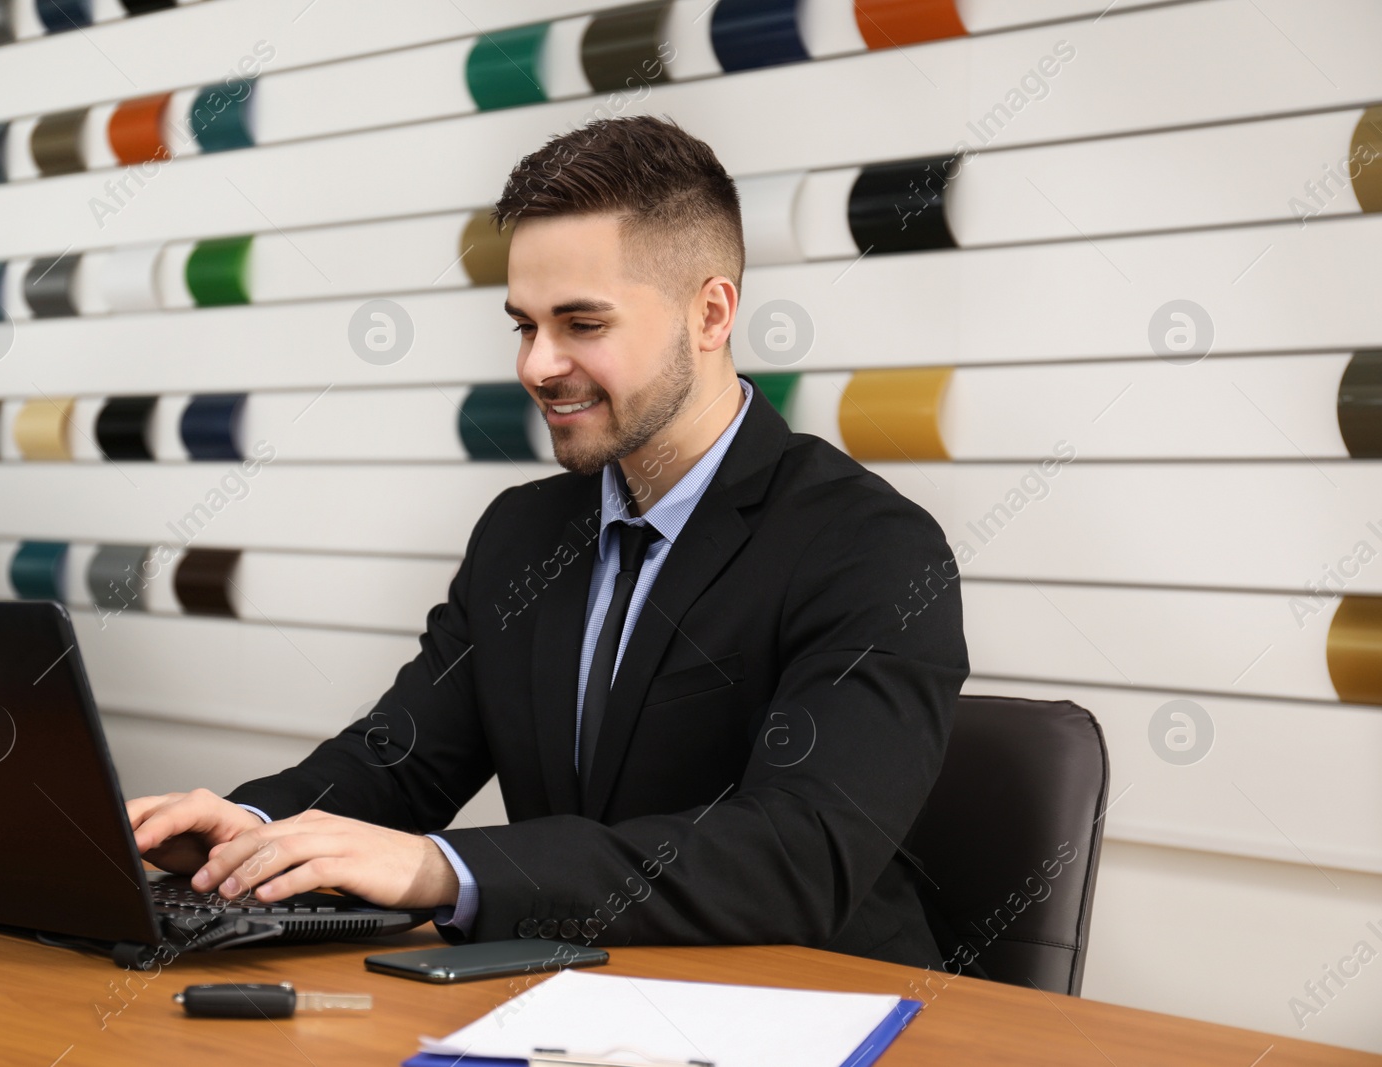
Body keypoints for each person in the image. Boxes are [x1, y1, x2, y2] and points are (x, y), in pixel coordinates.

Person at [127, 114, 969, 968]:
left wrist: (439, 866)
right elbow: (404, 759)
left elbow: (799, 854)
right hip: (568, 1003)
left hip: (817, 1012)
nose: (536, 365)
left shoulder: (872, 547)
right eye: (525, 325)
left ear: (711, 313)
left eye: (582, 324)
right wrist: (253, 831)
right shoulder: (522, 533)